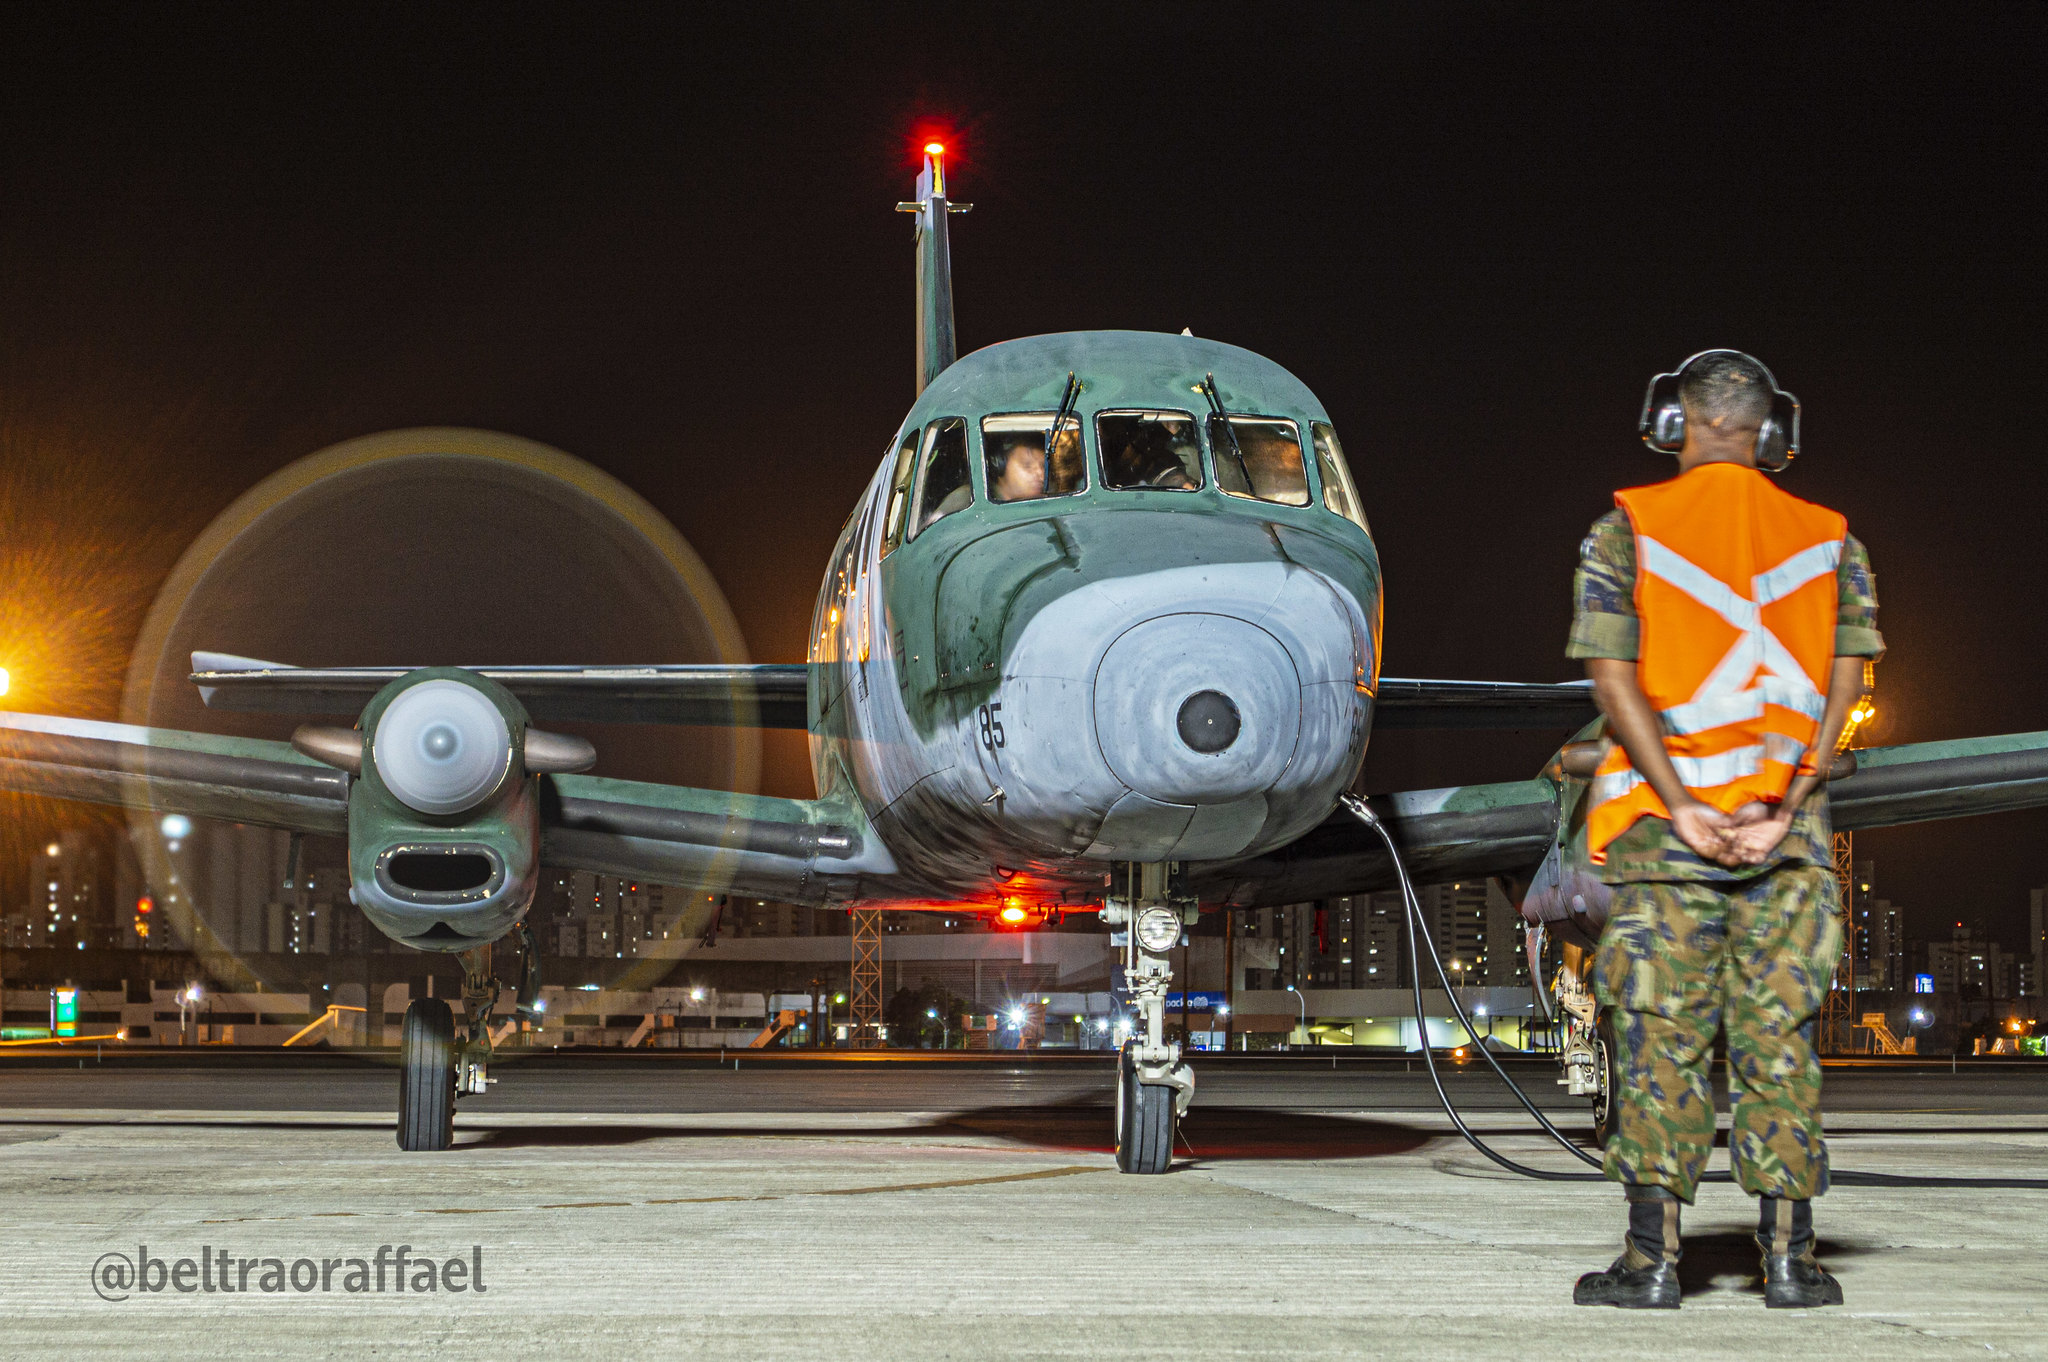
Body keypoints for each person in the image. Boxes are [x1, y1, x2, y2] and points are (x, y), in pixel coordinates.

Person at [1567, 351, 1884, 1311]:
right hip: (1786, 841)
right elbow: (1849, 679)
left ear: (1673, 421)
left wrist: (1685, 801)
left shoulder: (1627, 530)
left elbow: (1612, 681)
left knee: (1661, 1039)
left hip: (1669, 841)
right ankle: (1789, 1263)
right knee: (1778, 1043)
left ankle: (1651, 1263)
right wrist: (1787, 803)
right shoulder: (1833, 542)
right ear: (1771, 432)